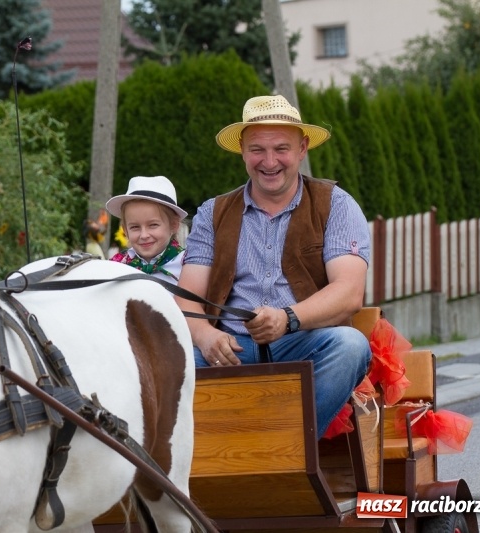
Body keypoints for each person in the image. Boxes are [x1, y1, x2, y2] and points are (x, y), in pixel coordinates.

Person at [176, 95, 372, 437]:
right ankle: (211, 457)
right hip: (229, 350)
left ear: (302, 148)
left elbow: (350, 292)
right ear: (242, 150)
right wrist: (206, 336)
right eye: (257, 149)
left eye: (281, 148)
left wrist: (287, 319)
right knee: (163, 363)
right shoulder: (212, 213)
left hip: (304, 344)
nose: (269, 162)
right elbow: (187, 298)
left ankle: (287, 446)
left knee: (351, 347)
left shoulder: (336, 205)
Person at [106, 175, 188, 284]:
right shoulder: (115, 267)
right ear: (125, 230)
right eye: (135, 227)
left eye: (153, 225)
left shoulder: (189, 266)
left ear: (174, 225)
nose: (144, 235)